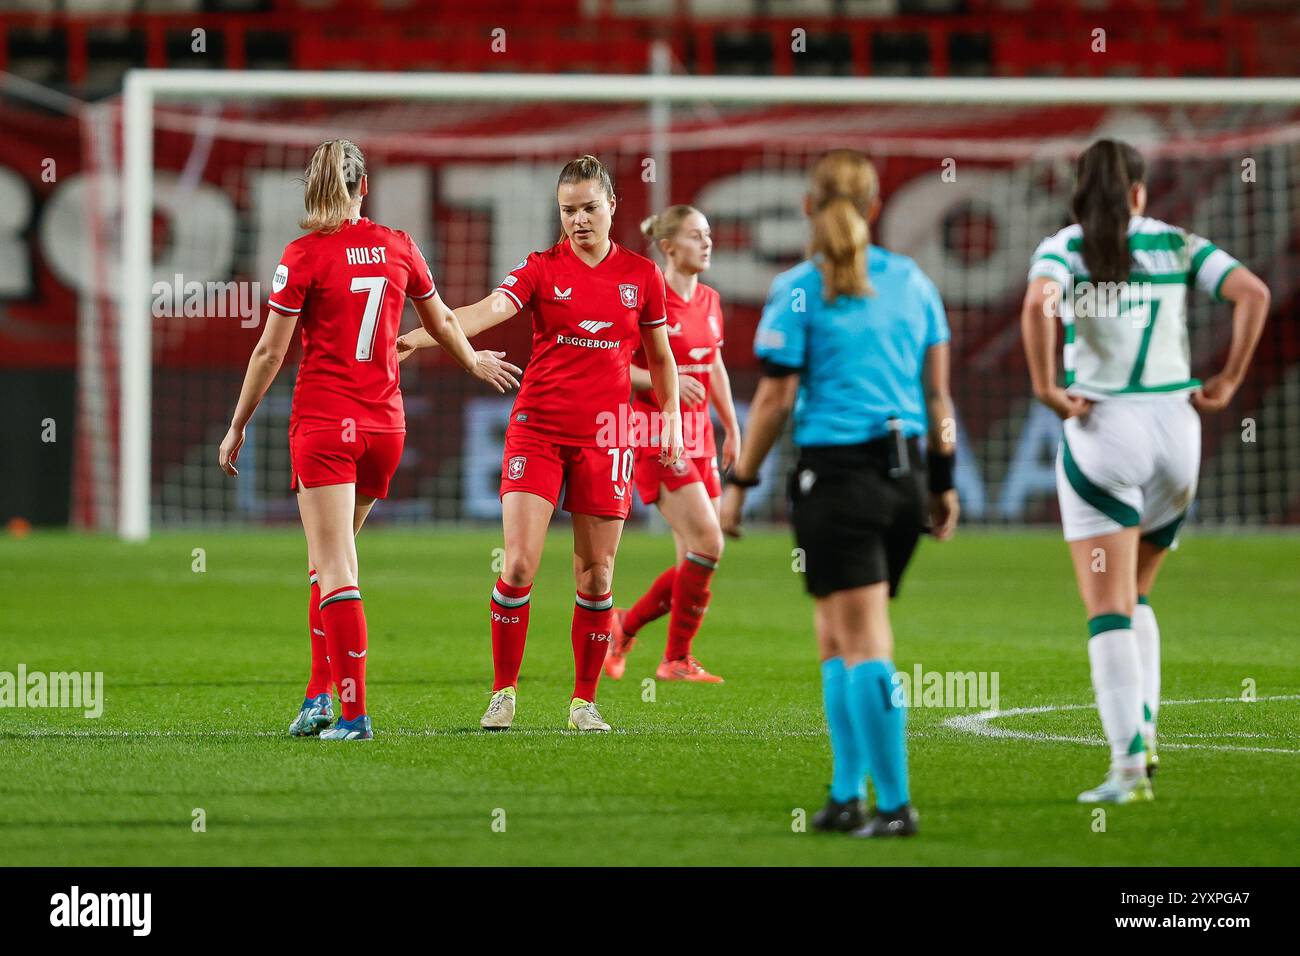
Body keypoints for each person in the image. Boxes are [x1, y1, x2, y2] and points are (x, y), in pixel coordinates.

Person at [219, 139, 519, 741]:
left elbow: (270, 350)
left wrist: (238, 423)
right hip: (385, 426)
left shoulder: (302, 255)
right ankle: (316, 697)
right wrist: (472, 362)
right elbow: (441, 322)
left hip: (327, 424)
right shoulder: (399, 245)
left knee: (334, 568)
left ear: (314, 190)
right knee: (330, 562)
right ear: (362, 188)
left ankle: (354, 714)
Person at [1021, 138, 1270, 803]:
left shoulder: (1064, 248)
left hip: (1106, 429)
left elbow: (1037, 306)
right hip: (1177, 435)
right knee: (1136, 594)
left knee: (1106, 606)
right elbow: (1253, 293)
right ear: (1137, 192)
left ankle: (1127, 769)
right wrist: (1228, 380)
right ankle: (1145, 741)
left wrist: (1048, 388)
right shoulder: (1176, 243)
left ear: (1081, 191)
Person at [397, 155, 683, 732]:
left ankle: (584, 703)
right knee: (521, 565)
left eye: (588, 208)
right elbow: (483, 311)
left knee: (597, 577)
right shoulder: (540, 269)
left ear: (612, 207)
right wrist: (422, 338)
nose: (578, 220)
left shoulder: (641, 278)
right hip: (540, 430)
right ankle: (503, 693)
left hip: (608, 439)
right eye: (568, 210)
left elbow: (661, 357)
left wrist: (671, 418)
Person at [720, 149, 958, 837]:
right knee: (836, 636)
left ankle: (895, 805)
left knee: (862, 642)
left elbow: (774, 398)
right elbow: (938, 397)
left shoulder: (799, 288)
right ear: (876, 206)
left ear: (807, 206)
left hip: (838, 482)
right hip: (905, 477)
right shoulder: (912, 282)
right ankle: (846, 793)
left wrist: (739, 484)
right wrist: (941, 484)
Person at [603, 205, 741, 684]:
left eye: (709, 235)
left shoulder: (709, 300)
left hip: (699, 436)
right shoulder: (645, 295)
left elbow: (715, 364)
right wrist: (666, 381)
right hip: (653, 433)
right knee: (709, 543)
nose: (707, 243)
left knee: (694, 563)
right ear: (668, 247)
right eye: (696, 235)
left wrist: (732, 427)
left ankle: (625, 626)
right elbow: (614, 365)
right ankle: (675, 659)